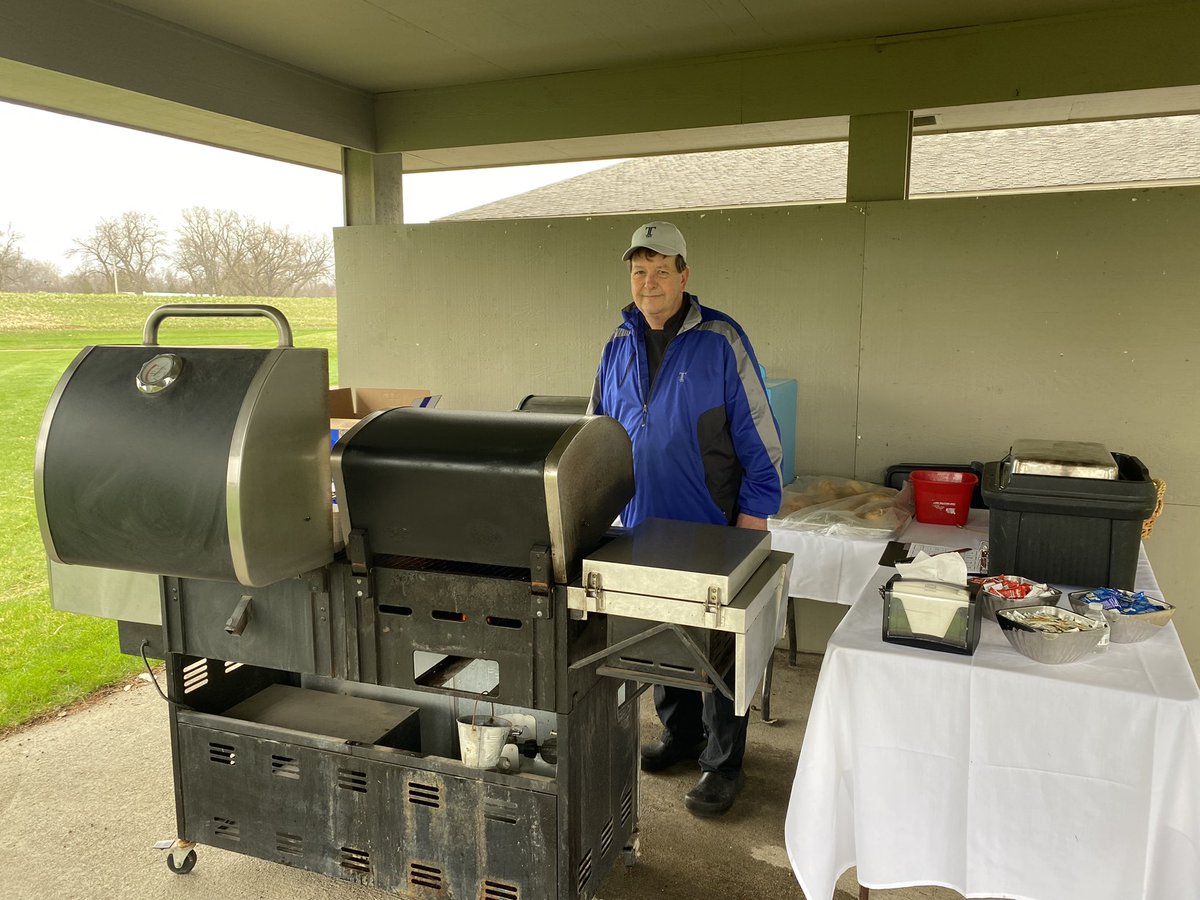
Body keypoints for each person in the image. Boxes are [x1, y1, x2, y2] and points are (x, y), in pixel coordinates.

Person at [586, 221, 783, 816]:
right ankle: (682, 734)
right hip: (642, 522)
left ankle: (723, 764)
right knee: (661, 635)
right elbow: (597, 433)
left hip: (710, 524)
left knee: (720, 649)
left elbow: (759, 432)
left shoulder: (720, 339)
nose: (649, 283)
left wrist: (755, 512)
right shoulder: (617, 344)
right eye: (639, 272)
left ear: (684, 275)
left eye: (661, 271)